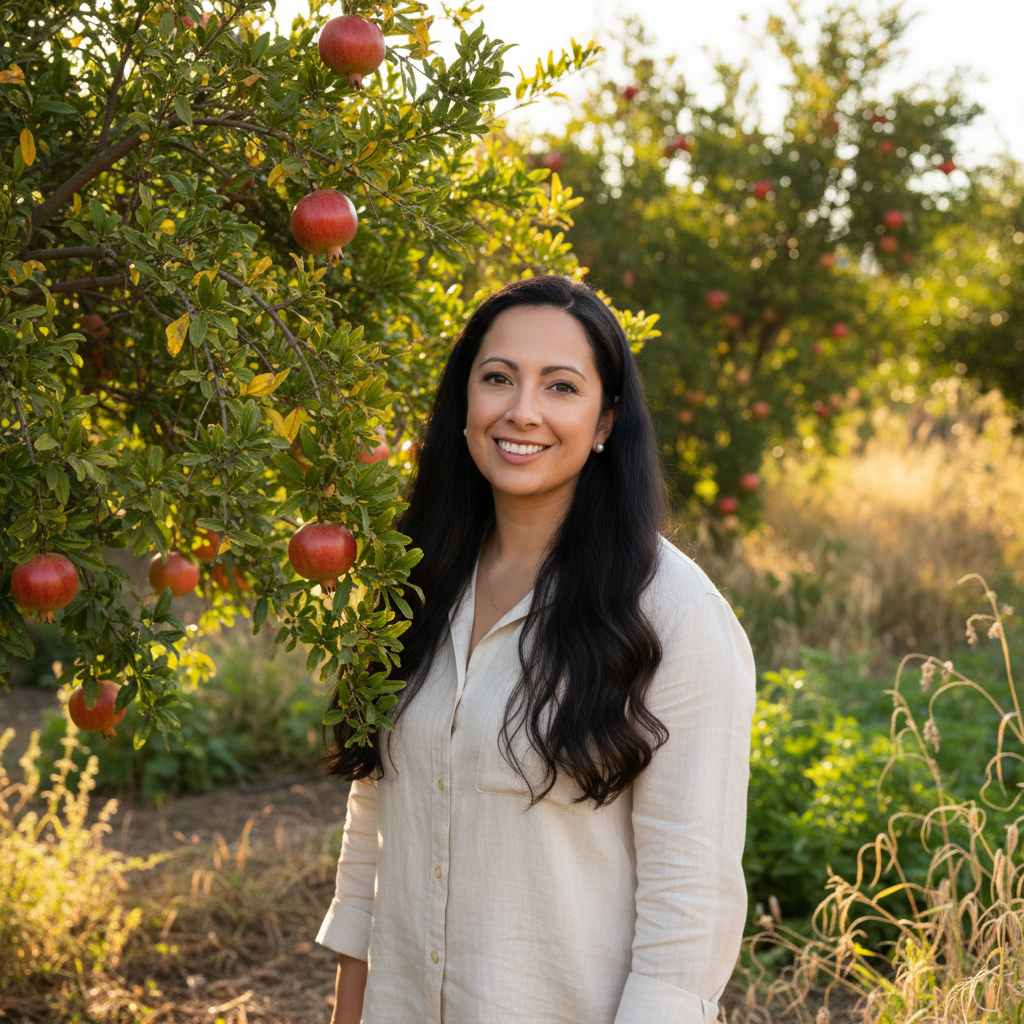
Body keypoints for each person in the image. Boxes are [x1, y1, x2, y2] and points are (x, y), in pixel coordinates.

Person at [316, 275, 756, 1024]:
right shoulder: (413, 583)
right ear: (465, 403)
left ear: (606, 419)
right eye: (498, 379)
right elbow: (374, 836)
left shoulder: (676, 619)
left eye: (561, 386)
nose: (522, 411)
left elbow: (688, 919)